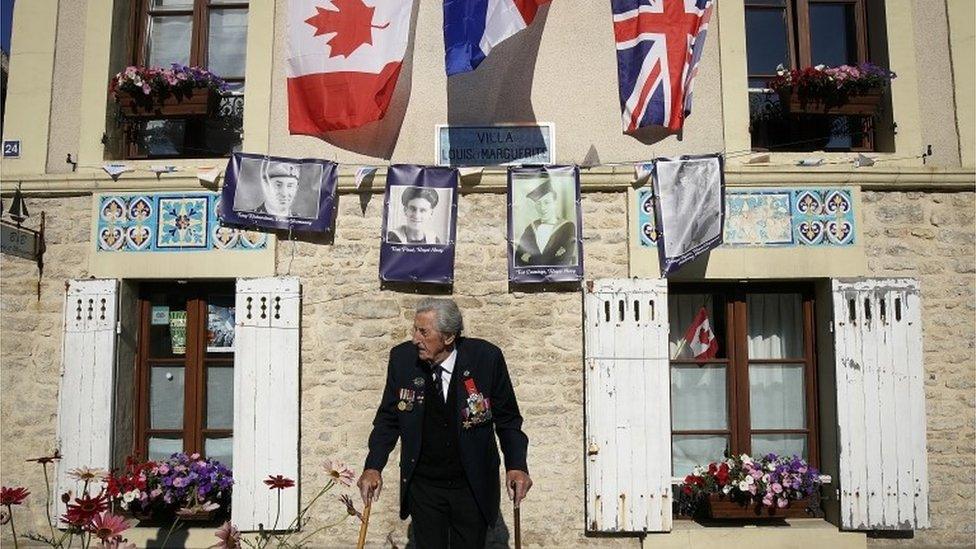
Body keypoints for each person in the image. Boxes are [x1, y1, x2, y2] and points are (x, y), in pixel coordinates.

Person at [358, 298, 532, 549]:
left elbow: (507, 419)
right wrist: (373, 466)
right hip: (424, 484)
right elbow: (388, 419)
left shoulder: (486, 358)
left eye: (423, 332)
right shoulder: (402, 359)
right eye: (414, 329)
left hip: (471, 484)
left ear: (448, 337)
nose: (415, 338)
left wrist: (516, 465)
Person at [514, 176, 577, 266]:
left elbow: (564, 258)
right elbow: (518, 258)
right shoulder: (531, 229)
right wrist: (549, 257)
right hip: (531, 277)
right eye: (538, 204)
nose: (542, 208)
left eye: (547, 202)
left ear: (554, 203)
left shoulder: (567, 227)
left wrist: (531, 259)